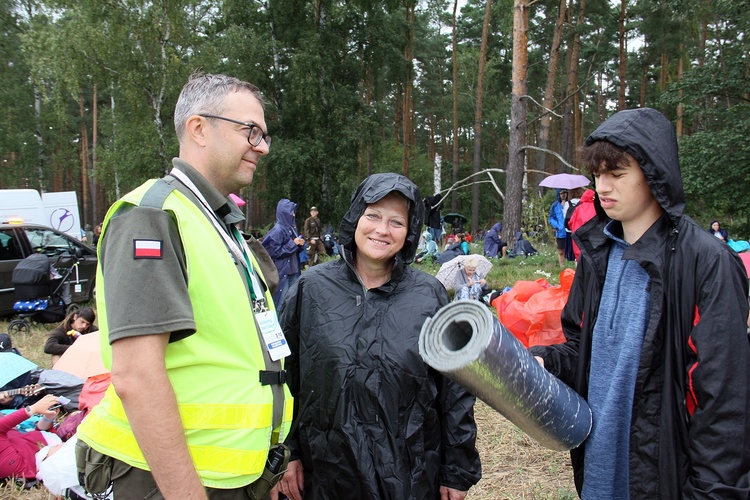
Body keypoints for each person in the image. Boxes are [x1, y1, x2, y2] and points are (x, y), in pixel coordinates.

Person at [76, 73, 292, 499]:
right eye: (251, 131)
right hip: (168, 480)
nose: (262, 147)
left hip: (231, 475)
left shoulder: (217, 223)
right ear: (198, 129)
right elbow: (136, 375)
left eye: (264, 135)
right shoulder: (151, 217)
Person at [529, 108, 750, 498]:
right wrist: (544, 360)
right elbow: (583, 348)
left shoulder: (704, 263)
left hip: (666, 477)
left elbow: (724, 401)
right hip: (599, 468)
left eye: (617, 173)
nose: (603, 186)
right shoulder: (596, 254)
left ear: (654, 173)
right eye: (597, 175)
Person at [276, 173, 482, 500]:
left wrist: (456, 470)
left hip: (410, 474)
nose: (382, 230)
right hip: (327, 473)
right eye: (373, 215)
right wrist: (287, 452)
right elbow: (282, 374)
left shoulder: (429, 296)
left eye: (396, 222)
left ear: (411, 231)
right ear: (356, 217)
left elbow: (454, 391)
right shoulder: (311, 289)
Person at [0, 394, 63, 483]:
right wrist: (32, 409)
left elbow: (36, 437)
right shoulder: (14, 465)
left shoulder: (12, 437)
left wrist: (47, 418)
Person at [262, 199, 306, 308]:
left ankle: (287, 325)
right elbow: (273, 252)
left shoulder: (291, 228)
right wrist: (293, 243)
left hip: (293, 271)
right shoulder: (277, 230)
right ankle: (279, 325)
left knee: (292, 303)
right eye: (291, 211)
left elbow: (292, 249)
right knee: (280, 304)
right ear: (285, 212)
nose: (293, 214)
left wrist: (300, 245)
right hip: (282, 273)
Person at [566, 188, 597, 261]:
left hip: (578, 238)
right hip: (593, 240)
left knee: (580, 260)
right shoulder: (597, 208)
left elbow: (570, 223)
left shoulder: (578, 208)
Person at [548, 188, 569, 267]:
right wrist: (557, 225)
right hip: (560, 232)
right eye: (561, 193)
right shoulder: (555, 205)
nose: (563, 195)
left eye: (565, 193)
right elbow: (551, 218)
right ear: (558, 195)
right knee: (561, 250)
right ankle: (561, 266)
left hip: (570, 230)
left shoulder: (570, 204)